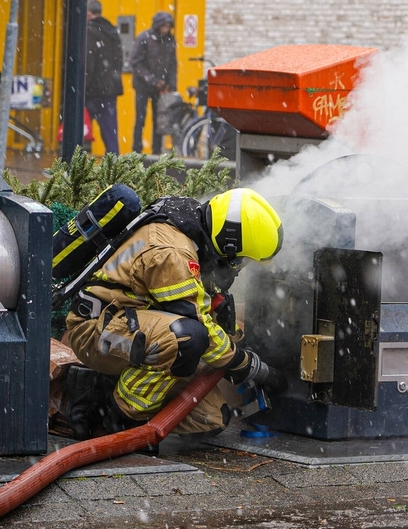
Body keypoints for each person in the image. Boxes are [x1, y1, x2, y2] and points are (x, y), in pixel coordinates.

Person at [61, 188, 286, 442]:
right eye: (242, 260)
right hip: (96, 331)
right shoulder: (173, 252)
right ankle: (117, 418)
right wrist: (247, 365)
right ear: (230, 242)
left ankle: (104, 388)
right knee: (187, 339)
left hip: (132, 329)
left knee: (210, 420)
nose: (240, 268)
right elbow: (200, 328)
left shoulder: (194, 229)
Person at [129, 11, 177, 154]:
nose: (166, 29)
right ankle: (136, 150)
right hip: (143, 86)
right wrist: (152, 80)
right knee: (140, 119)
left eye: (168, 26)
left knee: (159, 121)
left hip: (160, 87)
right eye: (164, 26)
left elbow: (172, 65)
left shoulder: (170, 40)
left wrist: (172, 86)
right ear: (158, 26)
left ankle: (156, 151)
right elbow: (136, 63)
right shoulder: (144, 38)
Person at [85, 0, 124, 154]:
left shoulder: (89, 31)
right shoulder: (112, 32)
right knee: (110, 131)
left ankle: (70, 166)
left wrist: (83, 86)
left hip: (92, 90)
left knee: (79, 129)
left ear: (88, 14)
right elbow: (119, 61)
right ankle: (114, 166)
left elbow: (88, 63)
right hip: (109, 90)